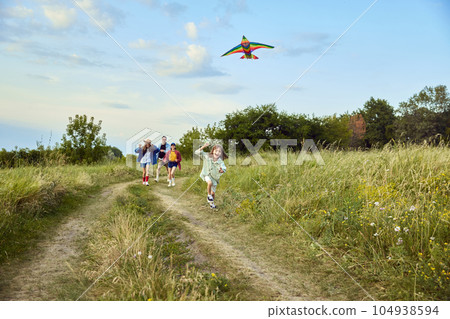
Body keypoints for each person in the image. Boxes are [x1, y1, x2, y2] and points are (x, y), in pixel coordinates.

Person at [194, 142, 227, 209]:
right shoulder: (207, 156)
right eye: (216, 150)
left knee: (213, 193)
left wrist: (222, 170)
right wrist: (203, 146)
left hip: (214, 178)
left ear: (221, 154)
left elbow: (224, 168)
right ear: (213, 151)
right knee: (209, 183)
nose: (217, 153)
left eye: (219, 151)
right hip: (206, 174)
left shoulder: (220, 161)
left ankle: (212, 204)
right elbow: (197, 152)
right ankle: (209, 195)